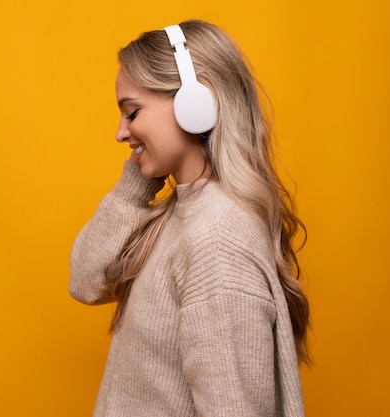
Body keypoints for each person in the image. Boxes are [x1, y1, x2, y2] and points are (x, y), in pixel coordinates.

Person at [70, 19, 310, 417]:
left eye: (132, 112)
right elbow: (86, 281)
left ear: (194, 105)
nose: (120, 132)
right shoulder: (183, 212)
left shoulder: (217, 240)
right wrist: (138, 182)